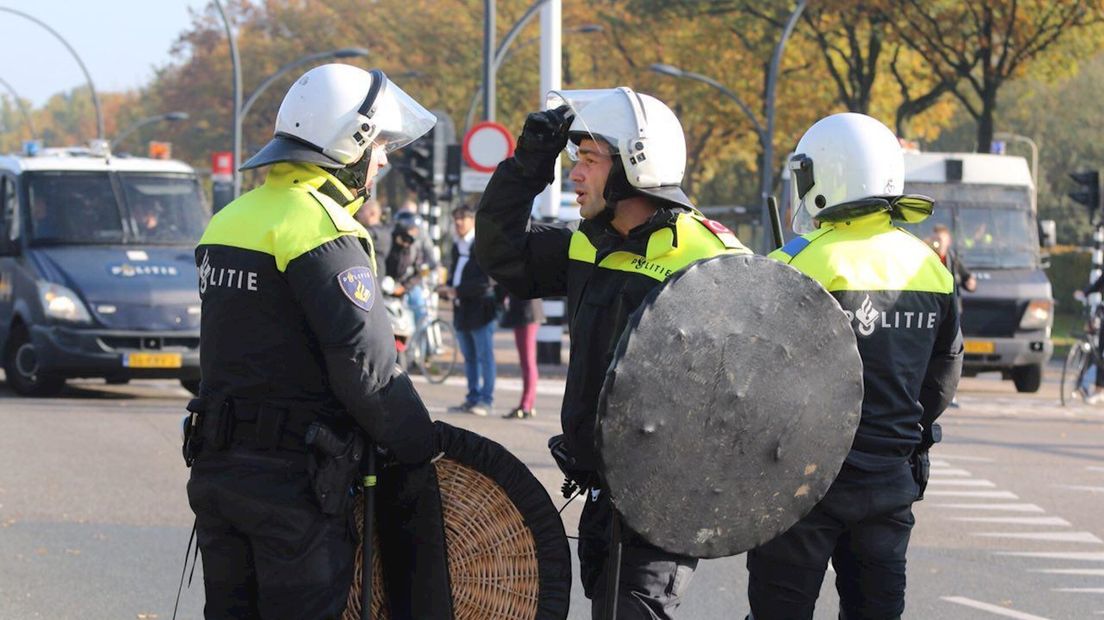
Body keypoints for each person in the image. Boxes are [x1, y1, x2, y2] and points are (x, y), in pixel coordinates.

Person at [185, 63, 449, 618]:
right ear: (350, 143)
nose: (383, 158)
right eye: (378, 145)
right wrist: (423, 449)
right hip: (291, 486)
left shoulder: (229, 220)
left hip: (217, 473)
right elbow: (368, 371)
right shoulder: (324, 231)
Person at [475, 87, 750, 618]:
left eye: (590, 160)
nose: (575, 174)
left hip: (660, 498)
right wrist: (529, 163)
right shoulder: (589, 243)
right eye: (575, 160)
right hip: (602, 488)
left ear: (635, 166)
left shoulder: (712, 259)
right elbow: (500, 250)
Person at [749, 112, 963, 620]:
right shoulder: (929, 266)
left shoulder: (791, 264)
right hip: (890, 483)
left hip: (799, 487)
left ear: (825, 176)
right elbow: (942, 378)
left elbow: (753, 382)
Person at [443, 205, 497, 416]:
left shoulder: (482, 244)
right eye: (455, 219)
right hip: (462, 310)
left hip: (481, 309)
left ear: (472, 221)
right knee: (469, 356)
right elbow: (456, 272)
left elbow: (487, 281)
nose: (458, 223)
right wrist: (446, 287)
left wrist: (456, 290)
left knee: (485, 356)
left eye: (462, 219)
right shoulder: (457, 246)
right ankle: (472, 397)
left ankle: (486, 400)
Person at [499, 291, 543, 419]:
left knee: (528, 362)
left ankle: (526, 405)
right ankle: (527, 403)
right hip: (523, 313)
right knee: (526, 362)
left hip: (527, 313)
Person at [354, 197, 392, 267]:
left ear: (372, 213)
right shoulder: (381, 231)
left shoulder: (379, 234)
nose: (358, 214)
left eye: (361, 211)